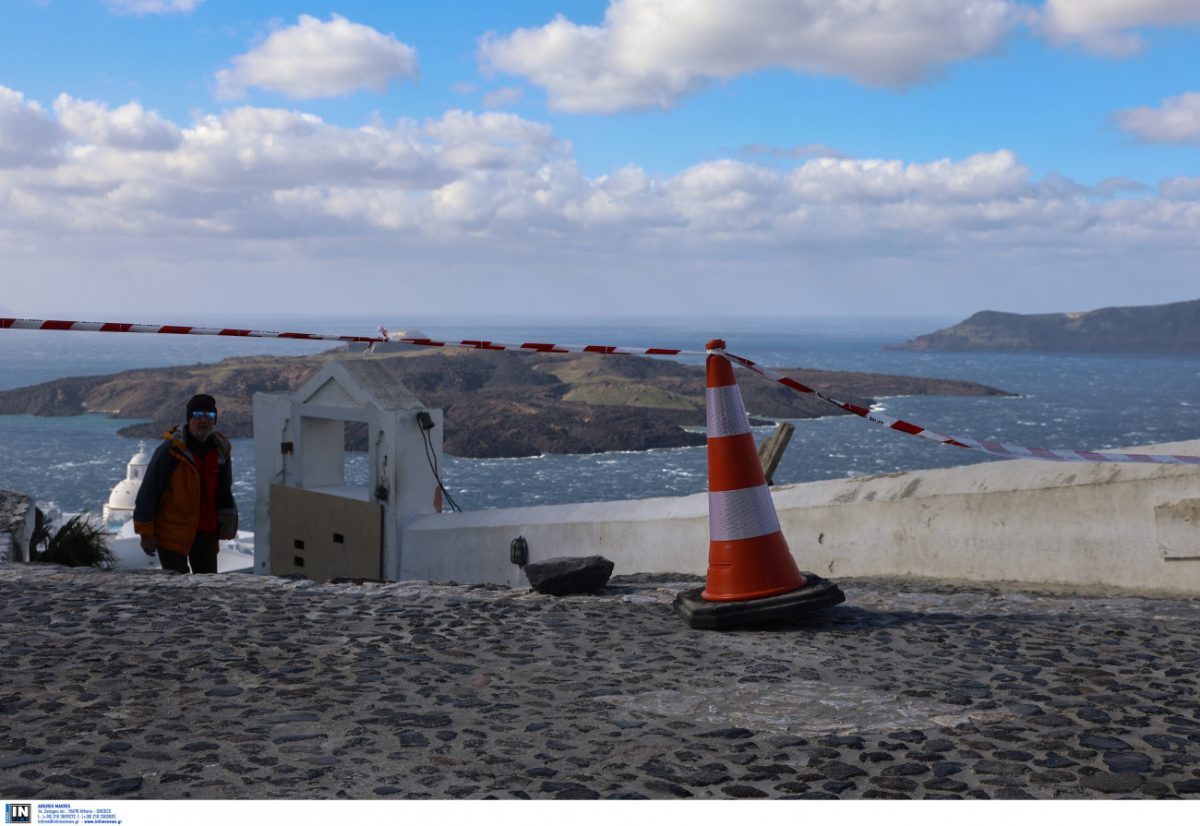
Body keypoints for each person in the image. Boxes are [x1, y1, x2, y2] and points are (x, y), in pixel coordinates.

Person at [134, 393, 238, 574]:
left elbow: (224, 490)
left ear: (215, 422)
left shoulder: (221, 452)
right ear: (189, 418)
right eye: (198, 415)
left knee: (207, 586)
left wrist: (226, 525)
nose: (203, 421)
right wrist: (146, 533)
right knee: (177, 589)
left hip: (206, 532)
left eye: (209, 416)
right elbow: (149, 491)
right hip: (172, 534)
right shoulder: (170, 451)